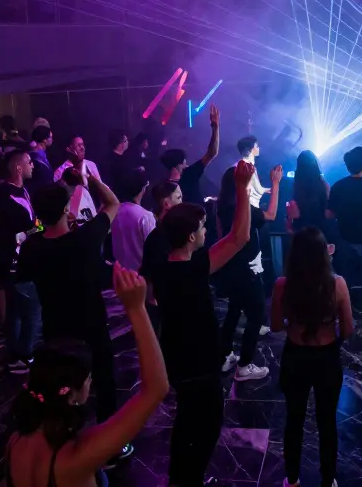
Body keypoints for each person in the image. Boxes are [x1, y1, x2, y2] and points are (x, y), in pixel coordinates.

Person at [5, 264, 169, 487]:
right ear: (71, 392)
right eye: (88, 378)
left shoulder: (14, 443)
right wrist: (136, 308)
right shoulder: (77, 457)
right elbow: (156, 389)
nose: (91, 382)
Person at [18, 176, 135, 466]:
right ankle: (110, 447)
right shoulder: (85, 238)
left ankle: (63, 442)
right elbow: (113, 203)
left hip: (56, 324)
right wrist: (93, 179)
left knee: (62, 383)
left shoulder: (32, 247)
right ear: (66, 211)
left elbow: (24, 279)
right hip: (91, 322)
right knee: (104, 381)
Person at [149, 162, 254, 487]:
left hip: (176, 357)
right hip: (199, 360)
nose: (207, 233)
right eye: (204, 228)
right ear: (191, 237)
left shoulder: (164, 267)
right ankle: (188, 479)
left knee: (186, 418)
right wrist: (241, 188)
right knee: (207, 424)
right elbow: (240, 237)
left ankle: (180, 476)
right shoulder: (194, 267)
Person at [271, 228, 353, 487]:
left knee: (293, 419)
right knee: (327, 421)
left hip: (295, 357)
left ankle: (292, 480)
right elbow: (349, 329)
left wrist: (292, 321)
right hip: (327, 358)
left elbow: (274, 325)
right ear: (324, 253)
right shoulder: (337, 284)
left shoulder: (283, 285)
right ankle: (328, 481)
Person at [217, 162, 281, 380]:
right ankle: (244, 366)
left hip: (229, 265)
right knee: (256, 315)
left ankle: (225, 355)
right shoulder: (242, 207)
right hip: (246, 268)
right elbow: (271, 214)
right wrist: (275, 183)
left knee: (234, 310)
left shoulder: (222, 204)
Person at [0, 150, 38, 371]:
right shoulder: (7, 197)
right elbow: (23, 229)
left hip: (14, 261)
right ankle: (24, 355)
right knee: (31, 311)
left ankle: (15, 354)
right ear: (18, 168)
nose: (33, 165)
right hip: (16, 263)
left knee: (15, 310)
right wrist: (40, 228)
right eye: (29, 162)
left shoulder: (19, 190)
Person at [328, 146, 362, 346]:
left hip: (345, 243)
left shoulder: (338, 186)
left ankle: (342, 329)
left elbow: (329, 215)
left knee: (343, 287)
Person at [161, 105, 221, 206]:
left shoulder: (162, 186)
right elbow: (212, 152)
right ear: (179, 165)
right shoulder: (189, 175)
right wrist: (215, 127)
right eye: (184, 162)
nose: (187, 164)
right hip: (197, 220)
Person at [111, 171, 155, 273]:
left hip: (119, 273)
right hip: (140, 275)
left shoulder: (114, 212)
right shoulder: (145, 216)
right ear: (143, 189)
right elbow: (153, 247)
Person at [237, 135, 268, 208]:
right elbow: (258, 190)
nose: (258, 148)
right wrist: (275, 187)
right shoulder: (248, 167)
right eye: (256, 146)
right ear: (249, 149)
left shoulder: (248, 166)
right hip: (250, 207)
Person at [27, 125, 55, 195]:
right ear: (44, 140)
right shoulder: (36, 159)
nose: (52, 139)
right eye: (51, 137)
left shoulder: (39, 155)